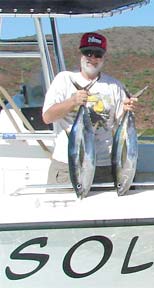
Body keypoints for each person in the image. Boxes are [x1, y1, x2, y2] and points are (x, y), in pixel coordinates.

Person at [42, 32, 137, 185]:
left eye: (98, 54)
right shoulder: (64, 79)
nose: (92, 58)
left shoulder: (114, 86)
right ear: (81, 54)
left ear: (104, 57)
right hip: (68, 163)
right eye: (88, 52)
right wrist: (72, 101)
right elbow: (47, 117)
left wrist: (127, 109)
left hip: (103, 166)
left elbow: (120, 125)